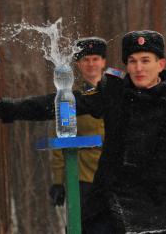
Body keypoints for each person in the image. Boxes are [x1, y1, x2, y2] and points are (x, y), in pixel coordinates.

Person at [0, 30, 166, 233]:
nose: (138, 68)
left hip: (154, 212)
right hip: (107, 204)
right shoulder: (114, 92)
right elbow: (60, 103)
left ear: (160, 64)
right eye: (132, 61)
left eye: (146, 60)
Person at [49, 38, 106, 216]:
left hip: (116, 176)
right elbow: (61, 143)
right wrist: (58, 181)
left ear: (103, 62)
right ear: (78, 64)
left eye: (95, 59)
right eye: (85, 60)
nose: (91, 64)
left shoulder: (118, 93)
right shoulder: (69, 99)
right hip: (84, 177)